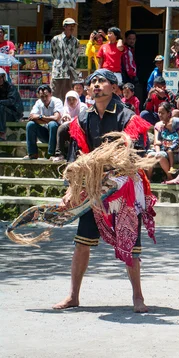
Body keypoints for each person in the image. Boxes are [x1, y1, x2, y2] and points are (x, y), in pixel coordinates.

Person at [53, 68, 153, 313]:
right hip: (93, 185)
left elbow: (131, 154)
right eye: (92, 82)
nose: (96, 85)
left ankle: (138, 296)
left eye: (102, 81)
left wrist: (106, 168)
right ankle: (73, 295)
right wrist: (72, 190)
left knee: (131, 244)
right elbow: (79, 159)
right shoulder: (83, 119)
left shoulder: (127, 116)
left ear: (114, 88)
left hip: (122, 184)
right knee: (81, 243)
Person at [23, 85, 63, 160]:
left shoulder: (57, 101)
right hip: (45, 132)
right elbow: (32, 117)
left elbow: (56, 118)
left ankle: (51, 153)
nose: (44, 99)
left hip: (56, 134)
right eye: (42, 96)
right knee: (30, 125)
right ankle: (32, 153)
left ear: (51, 94)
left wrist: (40, 117)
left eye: (46, 96)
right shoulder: (38, 103)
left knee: (52, 124)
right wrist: (48, 118)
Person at [146, 102, 179, 182]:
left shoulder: (175, 124)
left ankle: (169, 177)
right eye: (159, 113)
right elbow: (156, 141)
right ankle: (148, 178)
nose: (160, 115)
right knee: (150, 156)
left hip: (172, 151)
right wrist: (158, 151)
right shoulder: (158, 125)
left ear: (168, 113)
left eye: (162, 113)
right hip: (161, 148)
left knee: (160, 156)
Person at [51, 90, 87, 162]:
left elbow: (81, 119)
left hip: (80, 129)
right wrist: (64, 118)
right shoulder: (65, 108)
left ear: (77, 99)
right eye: (69, 99)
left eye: (73, 99)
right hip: (69, 130)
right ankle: (59, 154)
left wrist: (70, 120)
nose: (71, 101)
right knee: (61, 128)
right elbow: (62, 121)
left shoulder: (83, 106)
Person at [50, 18, 80, 102]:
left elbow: (76, 56)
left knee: (67, 95)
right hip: (58, 71)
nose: (72, 28)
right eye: (70, 25)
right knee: (55, 93)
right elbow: (53, 54)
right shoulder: (56, 39)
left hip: (69, 72)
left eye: (73, 26)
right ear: (65, 26)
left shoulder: (76, 41)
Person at [0, 68, 23, 141]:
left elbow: (11, 101)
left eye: (1, 77)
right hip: (3, 113)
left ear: (4, 78)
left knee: (0, 106)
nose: (0, 79)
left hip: (14, 114)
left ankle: (2, 133)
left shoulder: (11, 87)